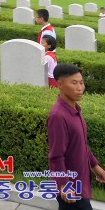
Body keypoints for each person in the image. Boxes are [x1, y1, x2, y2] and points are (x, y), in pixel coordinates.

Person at [47, 63, 105, 209]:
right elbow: (56, 156)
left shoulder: (75, 109)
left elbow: (81, 144)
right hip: (71, 189)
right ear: (60, 84)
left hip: (81, 182)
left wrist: (95, 166)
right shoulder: (58, 116)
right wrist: (64, 185)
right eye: (74, 83)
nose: (80, 87)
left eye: (81, 82)